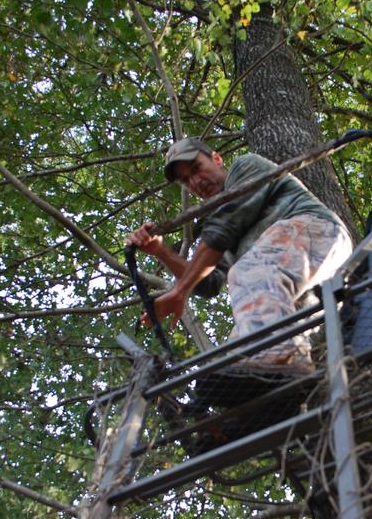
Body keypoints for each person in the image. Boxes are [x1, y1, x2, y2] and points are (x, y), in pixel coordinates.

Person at [126, 137, 353, 372]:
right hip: (293, 285)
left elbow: (223, 228)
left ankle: (281, 359)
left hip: (317, 232)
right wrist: (160, 252)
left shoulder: (245, 166)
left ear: (216, 158)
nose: (195, 181)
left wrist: (179, 291)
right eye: (186, 180)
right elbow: (208, 283)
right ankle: (277, 387)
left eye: (196, 169)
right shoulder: (218, 238)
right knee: (235, 357)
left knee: (247, 272)